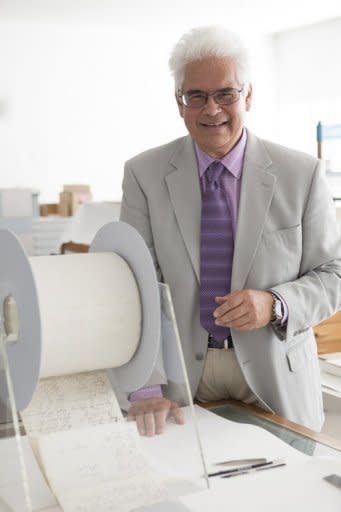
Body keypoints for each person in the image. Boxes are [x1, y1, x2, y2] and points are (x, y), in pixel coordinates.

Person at [120, 25, 341, 436]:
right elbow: (135, 286)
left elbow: (333, 274)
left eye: (225, 94)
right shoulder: (143, 175)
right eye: (196, 96)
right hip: (183, 378)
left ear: (248, 96)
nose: (212, 109)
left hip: (278, 375)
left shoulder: (302, 174)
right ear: (179, 102)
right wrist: (145, 386)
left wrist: (276, 303)